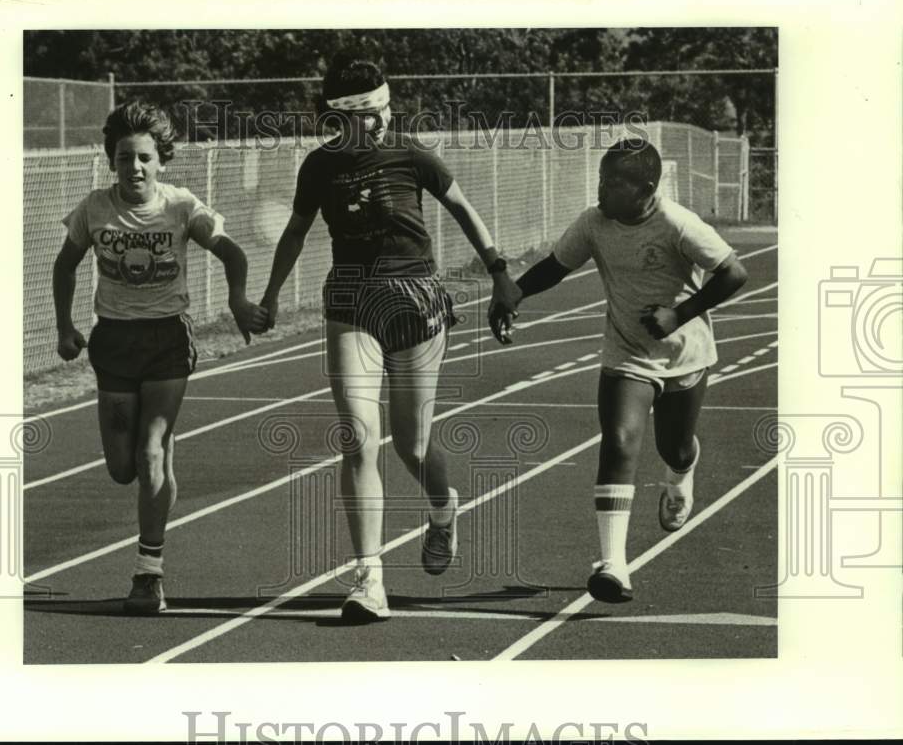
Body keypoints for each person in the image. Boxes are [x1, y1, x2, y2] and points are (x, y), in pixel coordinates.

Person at [261, 54, 521, 621]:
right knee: (357, 436)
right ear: (339, 117)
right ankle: (368, 579)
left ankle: (442, 507)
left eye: (384, 110)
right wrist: (271, 295)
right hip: (351, 303)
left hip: (414, 299)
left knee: (413, 445)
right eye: (367, 114)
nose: (379, 122)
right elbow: (296, 232)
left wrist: (500, 273)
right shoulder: (319, 168)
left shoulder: (410, 153)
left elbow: (463, 209)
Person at [491, 137, 748, 603]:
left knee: (675, 446)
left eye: (613, 182)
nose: (601, 189)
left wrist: (679, 314)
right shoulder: (594, 223)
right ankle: (613, 564)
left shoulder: (678, 224)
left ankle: (681, 472)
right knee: (621, 439)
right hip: (626, 352)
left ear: (646, 188)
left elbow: (734, 273)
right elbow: (555, 265)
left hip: (684, 355)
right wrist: (515, 294)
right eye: (601, 178)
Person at [52, 101, 268, 614]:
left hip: (168, 340)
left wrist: (239, 301)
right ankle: (160, 474)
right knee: (123, 469)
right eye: (125, 157)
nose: (135, 167)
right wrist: (65, 326)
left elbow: (232, 252)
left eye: (145, 157)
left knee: (151, 453)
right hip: (115, 344)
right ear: (112, 161)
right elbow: (64, 266)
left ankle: (148, 573)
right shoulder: (94, 209)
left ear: (161, 160)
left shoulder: (180, 206)